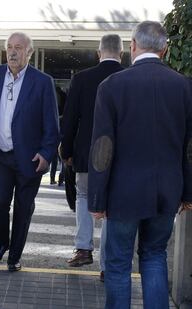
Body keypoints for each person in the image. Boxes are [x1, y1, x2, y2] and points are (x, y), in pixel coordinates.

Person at [88, 21, 192, 308]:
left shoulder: (112, 86)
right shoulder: (184, 86)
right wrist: (188, 193)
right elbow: (187, 146)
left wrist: (96, 198)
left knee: (119, 263)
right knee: (155, 255)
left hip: (124, 192)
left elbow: (102, 148)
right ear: (165, 49)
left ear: (132, 47)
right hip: (167, 190)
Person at [0, 32, 59, 272]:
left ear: (29, 53)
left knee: (23, 210)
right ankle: (2, 242)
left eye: (19, 48)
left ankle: (14, 256)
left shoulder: (43, 82)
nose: (13, 52)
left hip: (29, 159)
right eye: (9, 47)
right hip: (1, 156)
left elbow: (52, 125)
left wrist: (46, 153)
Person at [60, 34, 124, 281]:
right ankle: (107, 266)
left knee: (84, 196)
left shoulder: (82, 78)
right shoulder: (127, 77)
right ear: (122, 53)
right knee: (111, 208)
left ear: (99, 53)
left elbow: (70, 119)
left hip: (87, 154)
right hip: (118, 156)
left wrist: (66, 151)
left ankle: (83, 248)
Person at [50, 86, 66, 185]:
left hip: (53, 131)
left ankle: (52, 178)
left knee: (54, 158)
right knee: (62, 157)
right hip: (61, 129)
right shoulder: (63, 96)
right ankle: (61, 177)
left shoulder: (50, 97)